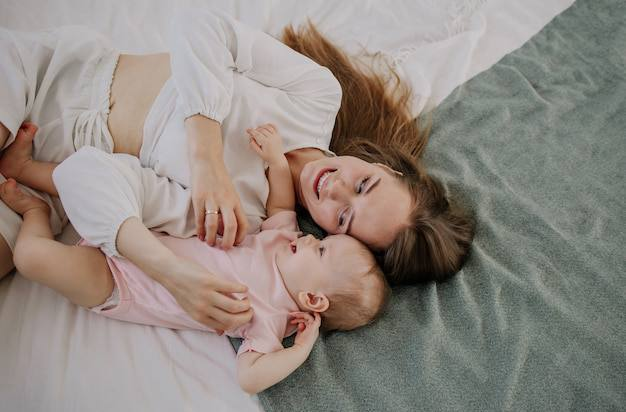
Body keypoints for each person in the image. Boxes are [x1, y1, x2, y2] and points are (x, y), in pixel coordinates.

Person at [0, 8, 473, 330]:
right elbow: (199, 24)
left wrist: (168, 271)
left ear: (339, 240)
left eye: (344, 217)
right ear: (384, 165)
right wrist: (206, 159)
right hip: (51, 77)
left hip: (49, 182)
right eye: (364, 184)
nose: (334, 190)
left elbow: (101, 179)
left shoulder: (245, 223)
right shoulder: (317, 97)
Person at [0, 122, 390, 394]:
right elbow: (280, 204)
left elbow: (249, 378)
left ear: (313, 299)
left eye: (321, 250)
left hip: (119, 282)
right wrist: (275, 161)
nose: (311, 239)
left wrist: (300, 350)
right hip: (141, 231)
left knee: (31, 257)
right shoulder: (283, 239)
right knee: (96, 175)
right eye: (320, 238)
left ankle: (36, 214)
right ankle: (27, 169)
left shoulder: (272, 316)